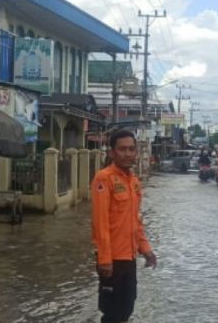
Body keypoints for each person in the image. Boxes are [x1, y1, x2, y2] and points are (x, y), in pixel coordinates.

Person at [92, 130, 158, 323]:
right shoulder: (103, 179)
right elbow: (100, 222)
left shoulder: (134, 182)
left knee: (127, 307)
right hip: (112, 259)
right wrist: (105, 259)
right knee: (113, 312)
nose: (128, 154)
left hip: (129, 257)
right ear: (112, 152)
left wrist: (146, 249)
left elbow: (136, 221)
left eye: (131, 149)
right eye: (122, 149)